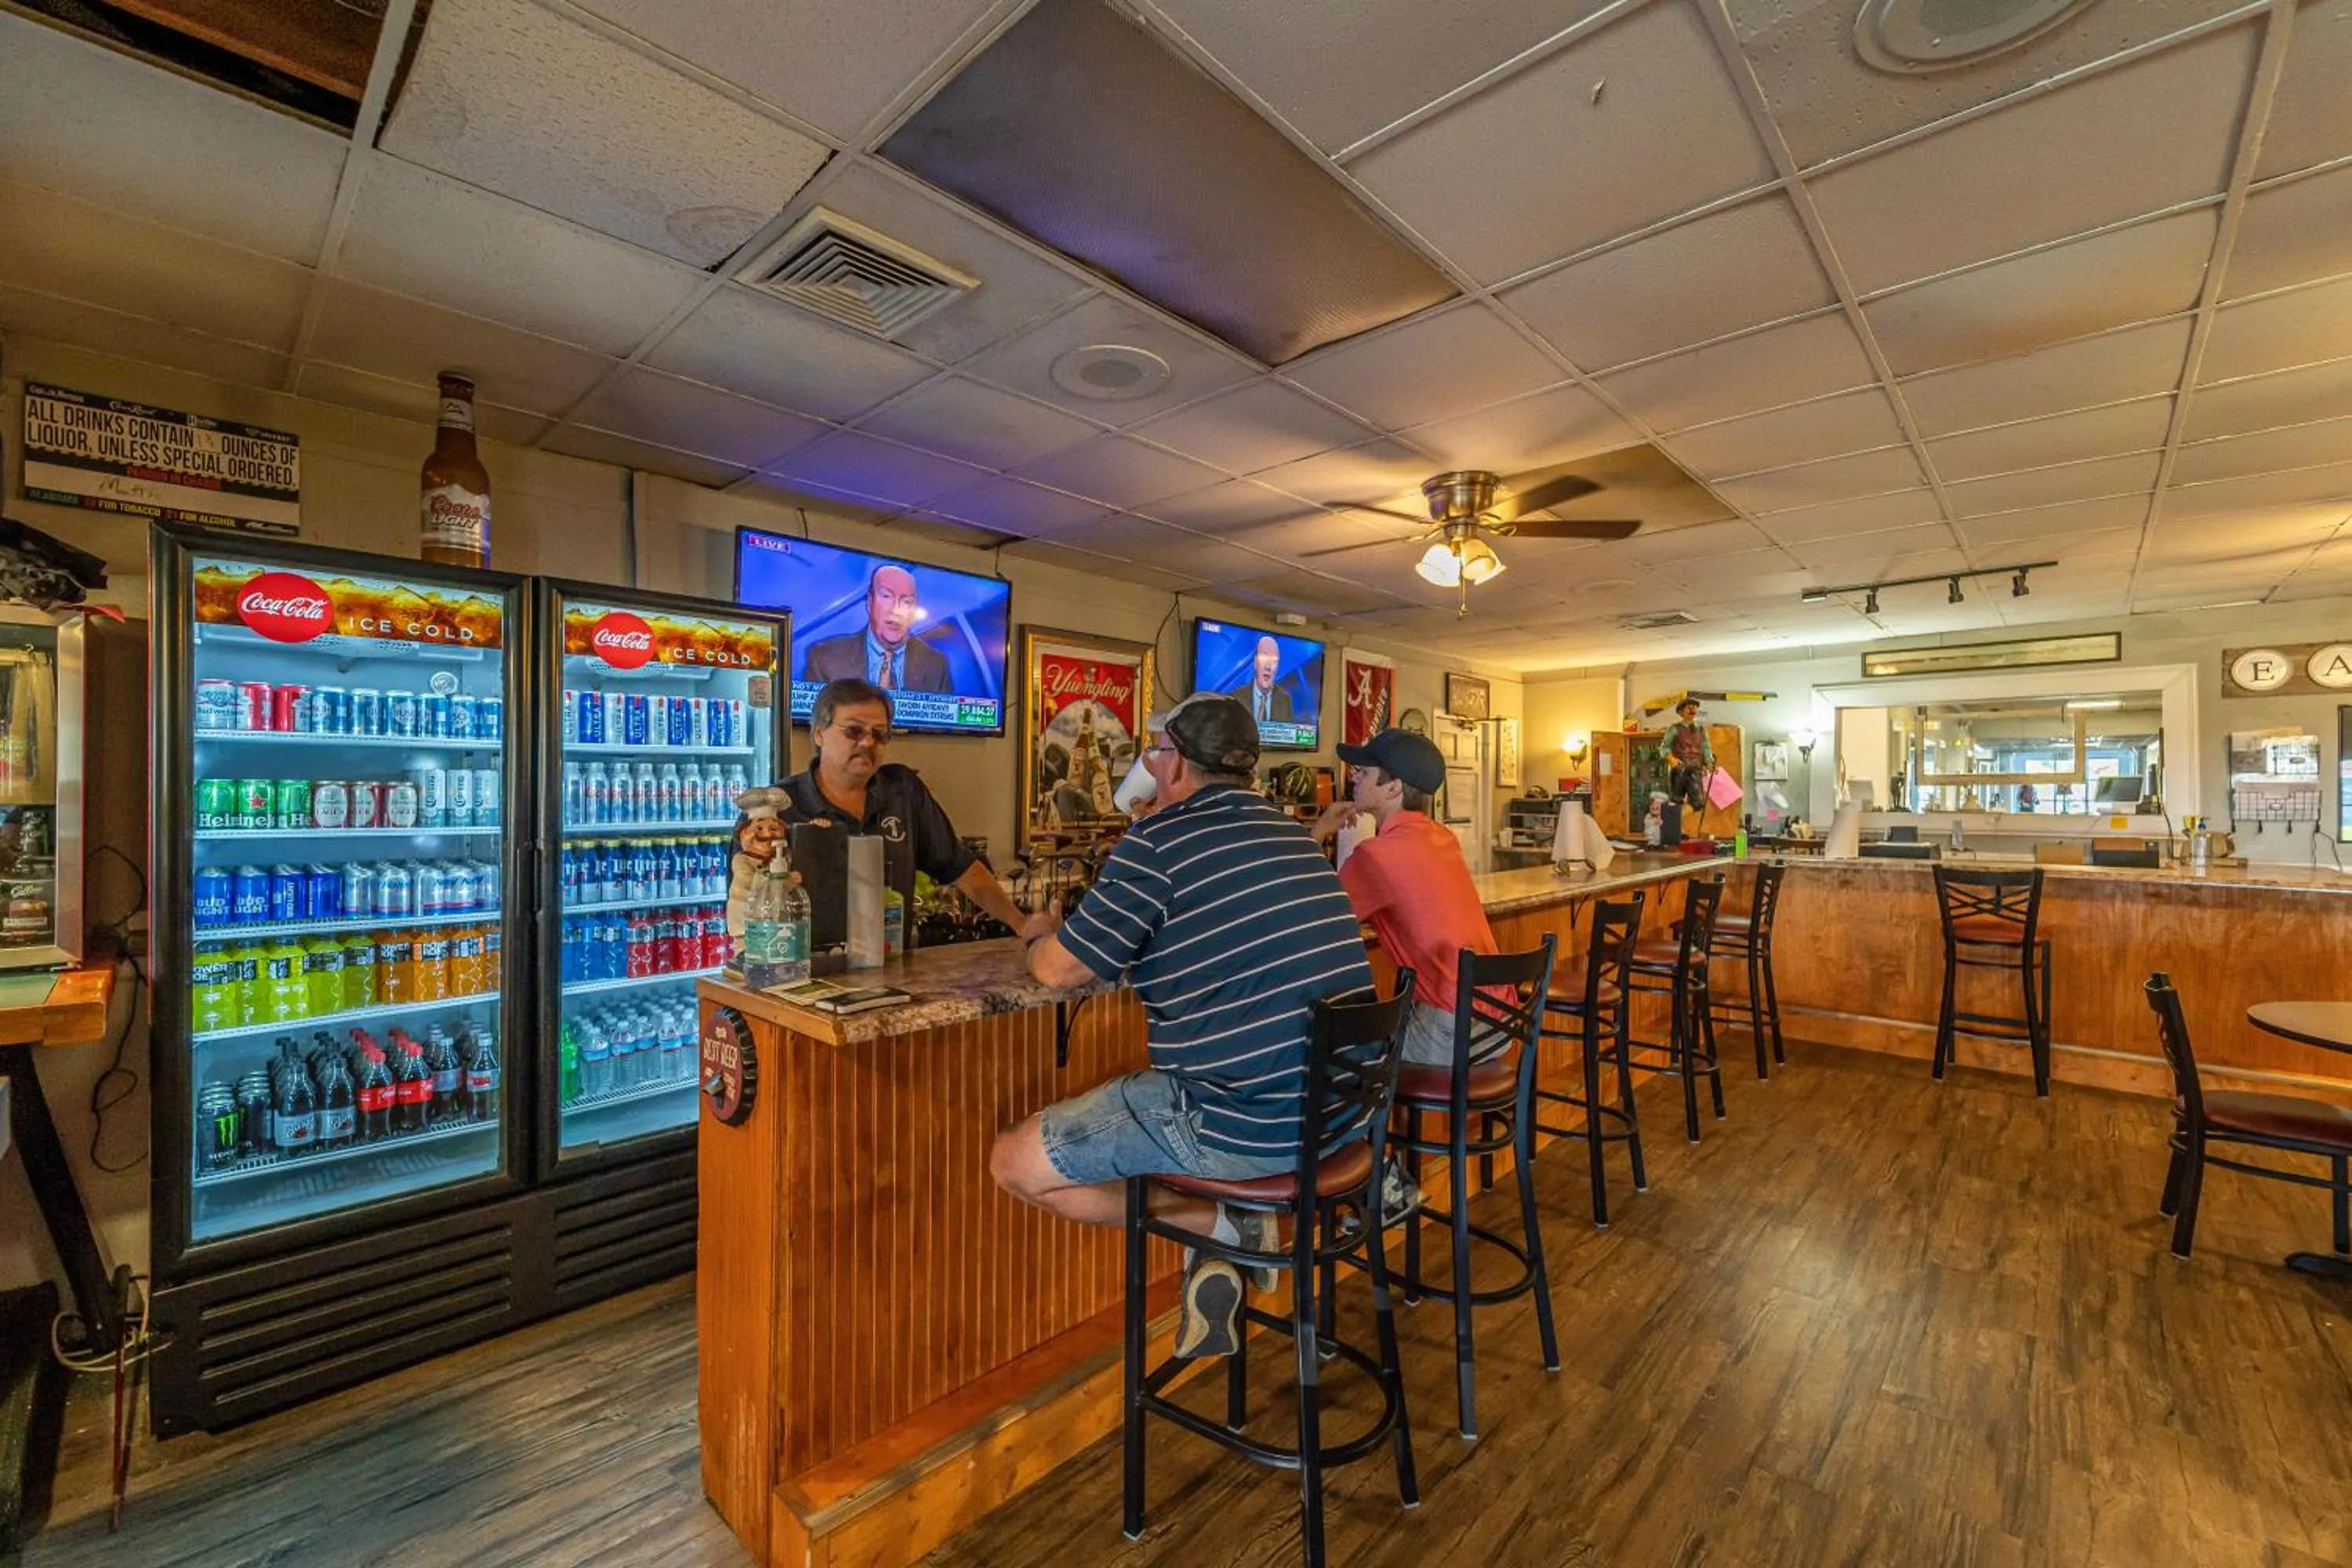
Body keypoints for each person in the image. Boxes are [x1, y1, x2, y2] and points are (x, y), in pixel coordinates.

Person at [993, 693, 1374, 1359]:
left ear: (1171, 765)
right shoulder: (1295, 834)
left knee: (1015, 1165)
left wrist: (1035, 932)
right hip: (1342, 1118)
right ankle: (1236, 1229)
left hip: (1242, 1125)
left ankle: (1225, 1222)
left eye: (1155, 753)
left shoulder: (1156, 843)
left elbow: (1058, 971)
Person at [752, 678, 1025, 935]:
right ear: (819, 734)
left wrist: (1023, 926)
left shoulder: (903, 790)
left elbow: (962, 868)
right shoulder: (776, 806)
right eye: (854, 731)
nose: (868, 742)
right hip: (801, 972)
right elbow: (747, 898)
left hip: (890, 968)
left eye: (880, 734)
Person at [1312, 728, 1497, 1065]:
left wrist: (1319, 832)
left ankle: (1372, 1120)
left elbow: (1315, 919)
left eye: (1365, 772)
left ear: (1394, 787)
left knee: (1333, 1055)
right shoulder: (1444, 837)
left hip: (1450, 1029)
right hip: (1499, 1022)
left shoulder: (1376, 856)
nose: (1355, 777)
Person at [800, 564, 951, 692]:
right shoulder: (825, 658)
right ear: (870, 602)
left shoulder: (936, 664)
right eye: (886, 597)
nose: (896, 610)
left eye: (906, 602)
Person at [1225, 634, 1293, 724]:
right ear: (1255, 662)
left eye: (1274, 661)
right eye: (1265, 658)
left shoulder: (1285, 700)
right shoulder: (1236, 698)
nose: (1268, 667)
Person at [1664, 698, 1715, 816]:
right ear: (1681, 712)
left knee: (1698, 802)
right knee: (1676, 799)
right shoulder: (1674, 728)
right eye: (1689, 707)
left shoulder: (1702, 729)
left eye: (1695, 707)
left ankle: (1675, 820)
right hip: (1680, 768)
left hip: (1695, 768)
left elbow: (1707, 748)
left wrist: (1709, 762)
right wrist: (1671, 758)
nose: (1692, 710)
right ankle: (1674, 827)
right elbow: (1664, 747)